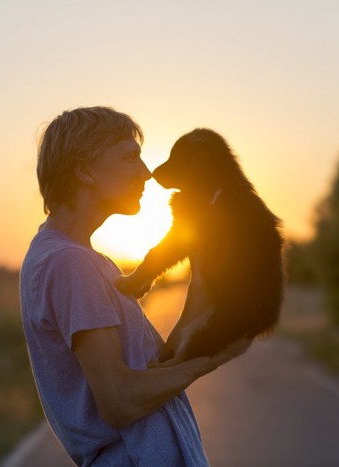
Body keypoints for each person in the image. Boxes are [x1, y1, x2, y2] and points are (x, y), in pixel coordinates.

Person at [19, 106, 251, 466]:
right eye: (130, 157)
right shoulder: (69, 263)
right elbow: (119, 401)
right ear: (83, 169)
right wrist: (212, 359)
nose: (146, 173)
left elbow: (151, 367)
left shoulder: (80, 258)